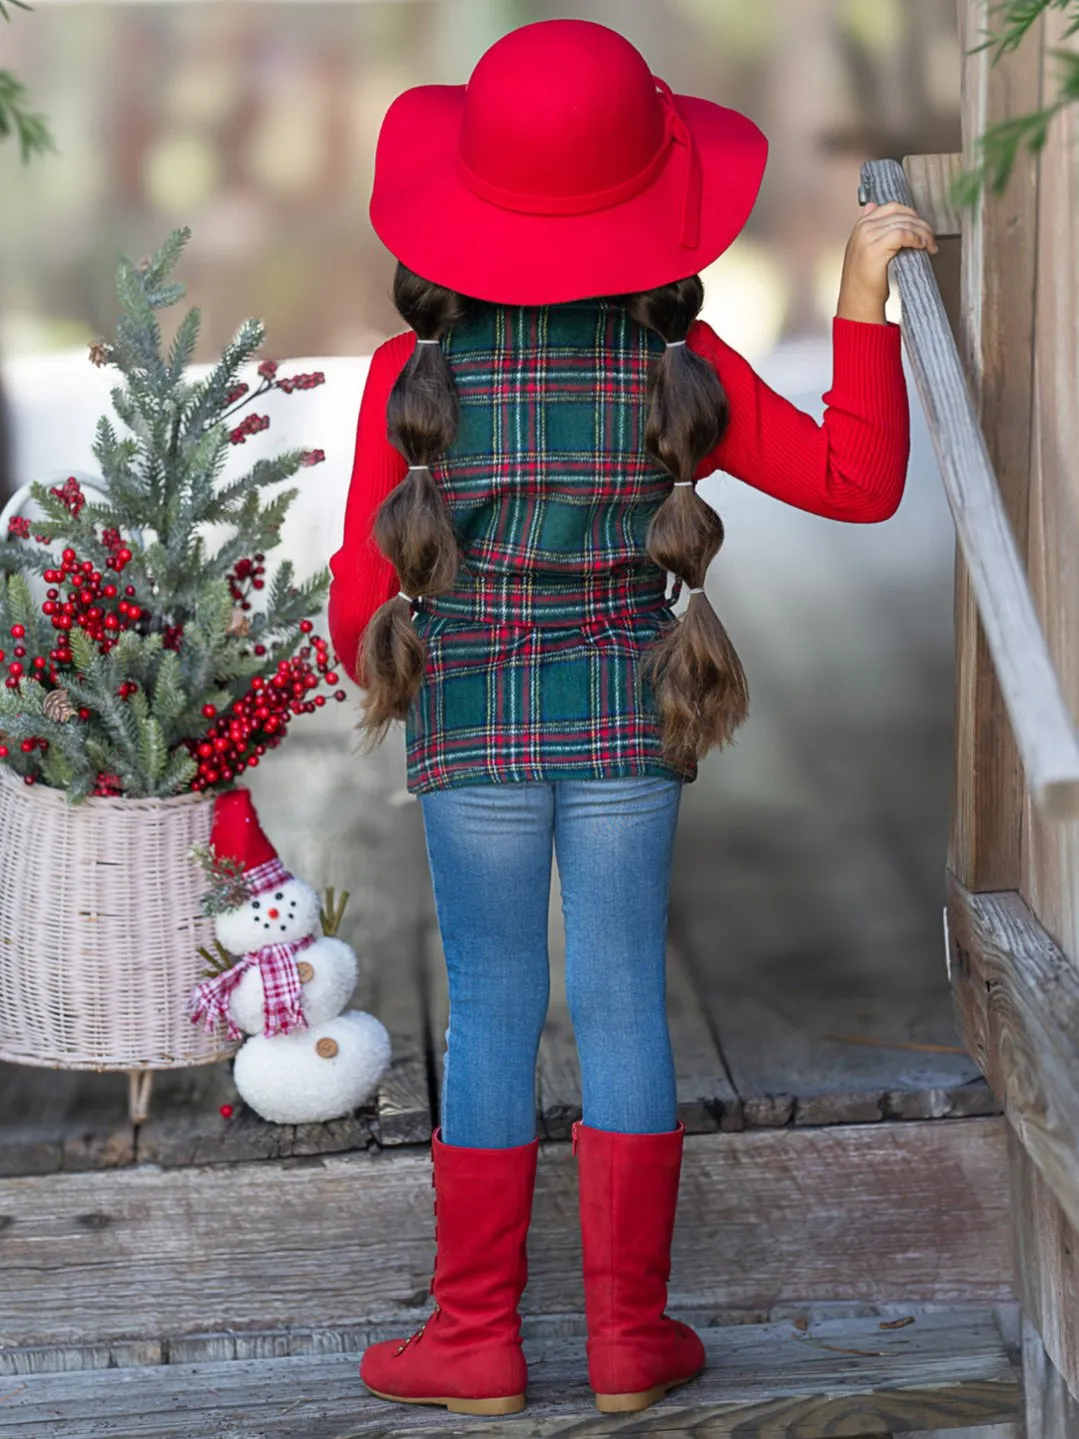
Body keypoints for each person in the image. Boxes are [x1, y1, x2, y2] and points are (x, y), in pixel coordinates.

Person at [328, 18, 932, 1419]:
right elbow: (856, 481)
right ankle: (625, 1337)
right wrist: (859, 296)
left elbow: (355, 602)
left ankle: (473, 1337)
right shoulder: (677, 371)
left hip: (472, 722)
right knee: (619, 1006)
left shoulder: (407, 382)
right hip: (622, 718)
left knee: (486, 1011)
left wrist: (397, 660)